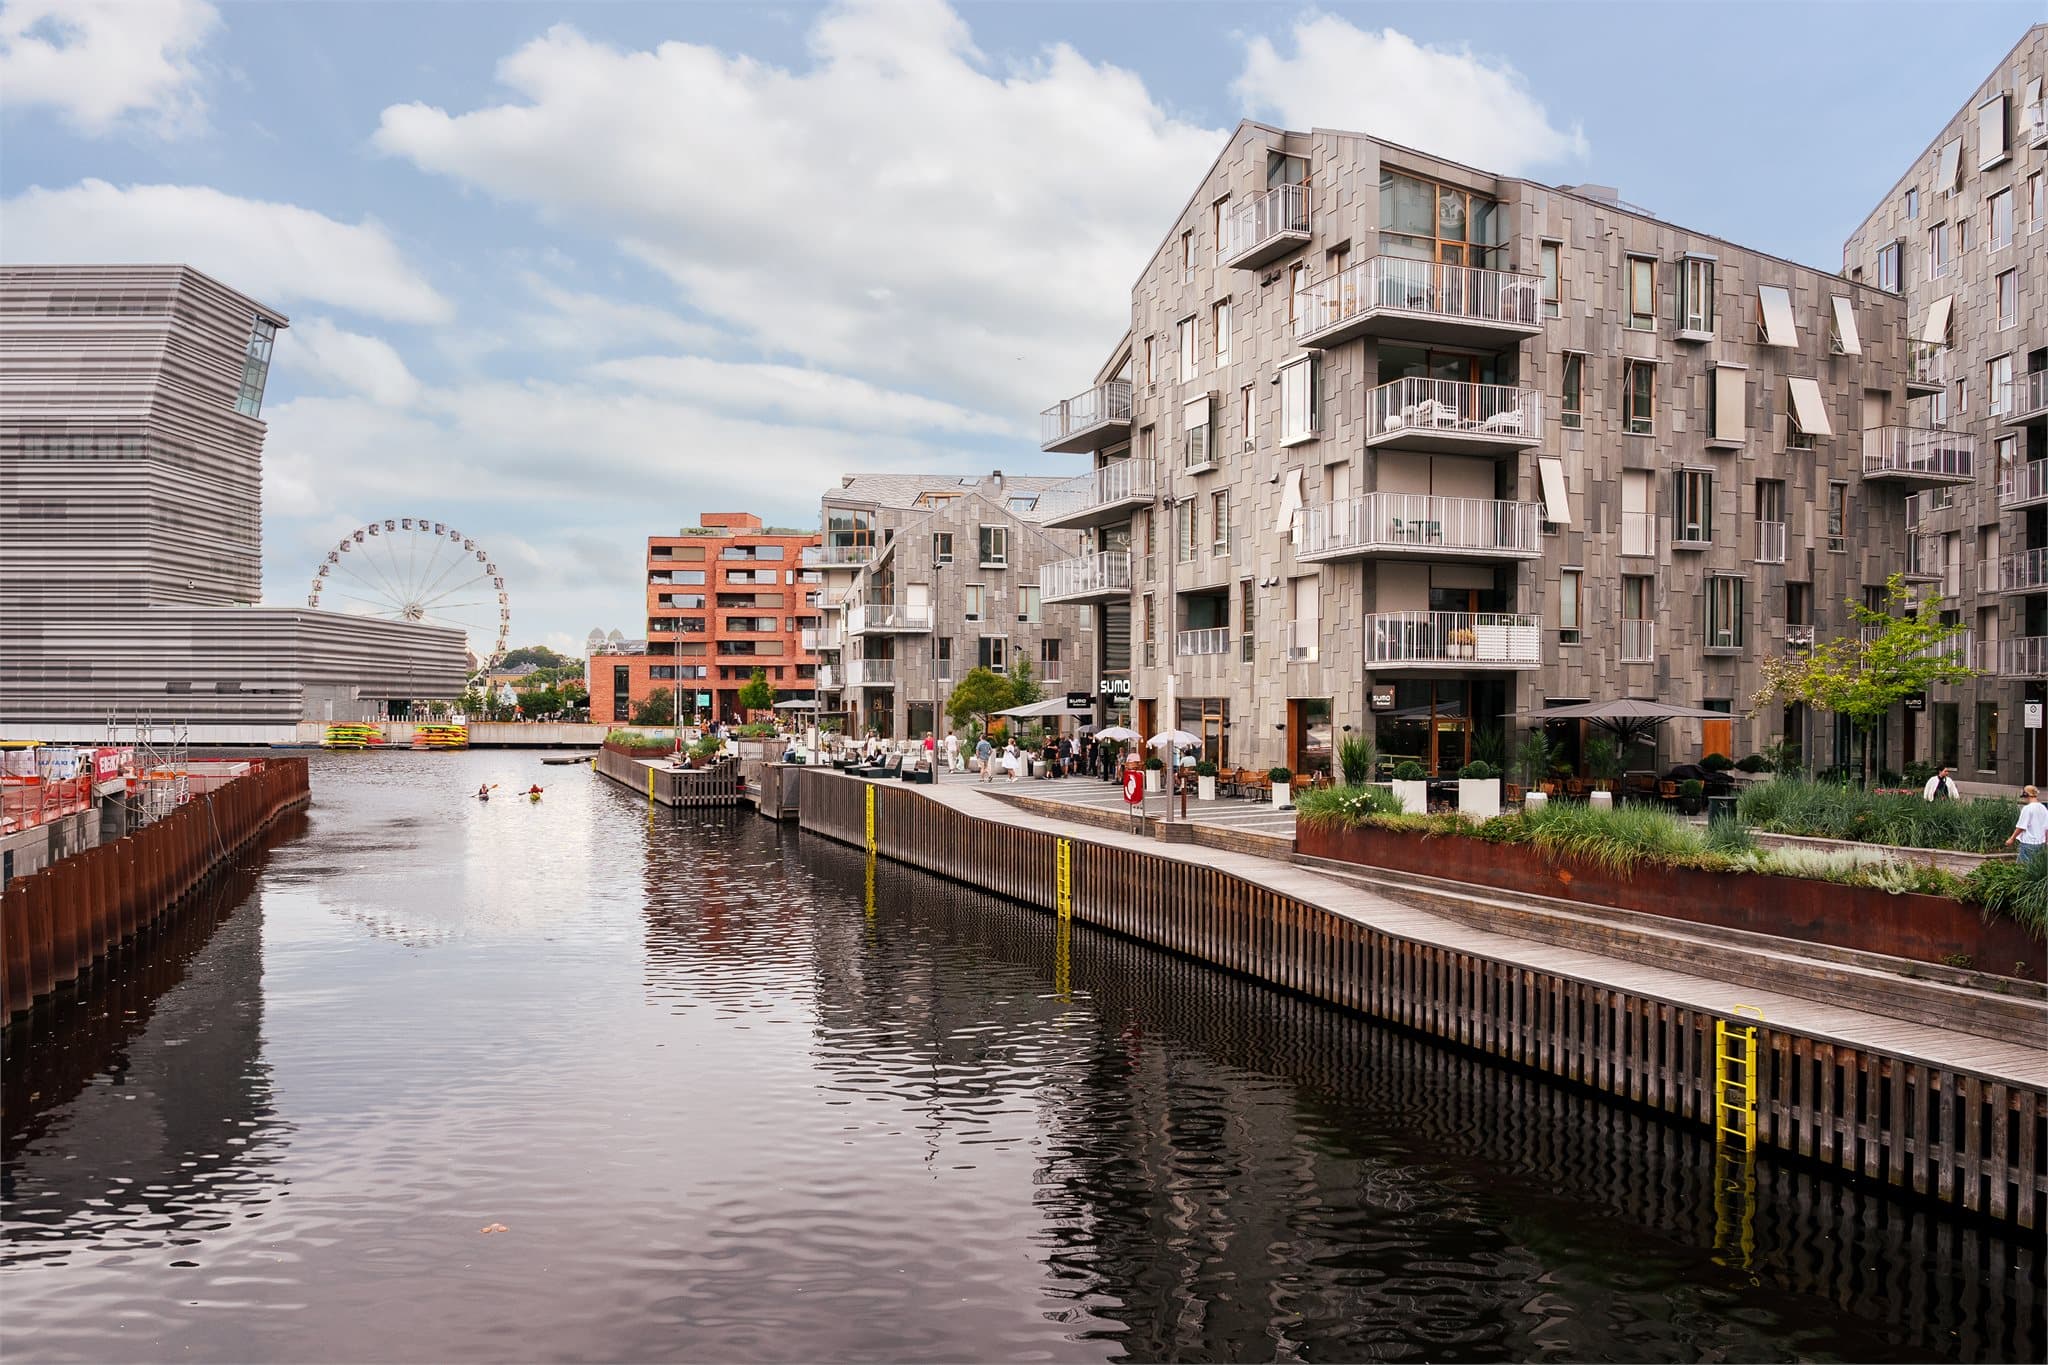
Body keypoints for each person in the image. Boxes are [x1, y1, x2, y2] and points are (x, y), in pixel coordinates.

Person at [2008, 786, 2048, 866]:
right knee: (2035, 866)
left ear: (2026, 794)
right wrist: (2046, 842)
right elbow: (2046, 827)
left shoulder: (2027, 808)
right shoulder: (2043, 808)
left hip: (2028, 843)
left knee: (2022, 867)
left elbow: (2021, 826)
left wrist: (2012, 838)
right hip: (2040, 843)